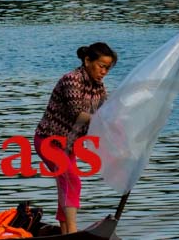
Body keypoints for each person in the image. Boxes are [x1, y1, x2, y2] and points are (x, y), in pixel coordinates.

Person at [35, 42, 117, 235]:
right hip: (49, 141)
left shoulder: (98, 87)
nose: (104, 71)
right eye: (101, 66)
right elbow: (76, 113)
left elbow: (106, 111)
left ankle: (64, 231)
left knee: (66, 186)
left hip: (69, 146)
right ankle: (72, 232)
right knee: (72, 180)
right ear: (88, 61)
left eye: (108, 68)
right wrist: (104, 118)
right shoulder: (71, 80)